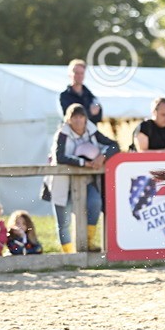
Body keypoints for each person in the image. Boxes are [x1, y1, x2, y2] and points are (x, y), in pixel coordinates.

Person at [44, 103, 120, 253]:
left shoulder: (92, 131)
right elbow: (60, 158)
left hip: (86, 180)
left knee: (95, 203)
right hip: (62, 181)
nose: (78, 121)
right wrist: (83, 163)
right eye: (74, 117)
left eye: (81, 117)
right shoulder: (62, 134)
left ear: (85, 119)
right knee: (63, 221)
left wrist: (102, 157)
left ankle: (88, 243)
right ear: (68, 119)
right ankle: (68, 254)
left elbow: (114, 145)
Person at [59, 58, 104, 124]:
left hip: (88, 131)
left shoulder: (90, 95)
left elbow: (98, 114)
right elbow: (70, 117)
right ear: (70, 74)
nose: (79, 76)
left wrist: (95, 109)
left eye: (81, 73)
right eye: (76, 73)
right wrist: (90, 112)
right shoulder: (65, 96)